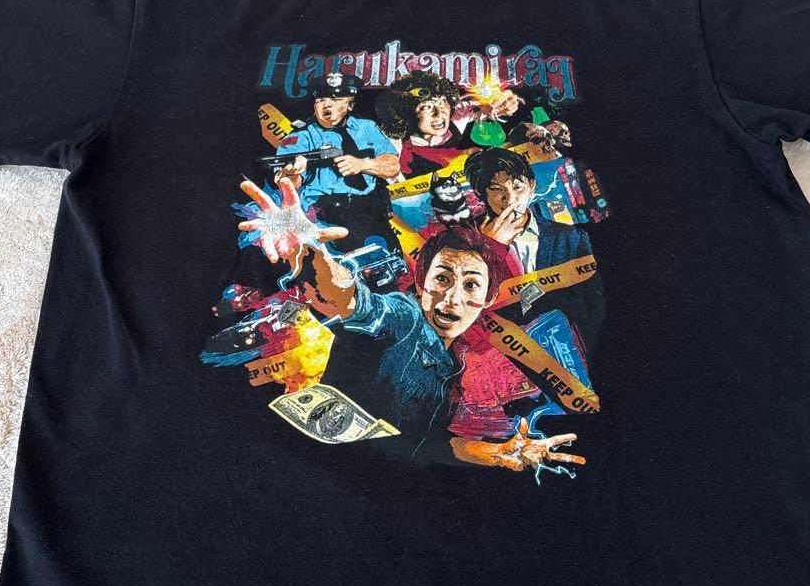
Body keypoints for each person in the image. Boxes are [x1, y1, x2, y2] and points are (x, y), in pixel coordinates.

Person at [238, 176, 582, 470]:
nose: (452, 299)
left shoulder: (451, 367)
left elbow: (427, 445)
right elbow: (352, 300)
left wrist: (495, 454)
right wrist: (311, 251)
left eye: (471, 286)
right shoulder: (404, 318)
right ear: (420, 283)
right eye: (442, 279)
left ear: (489, 299)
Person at [463, 147, 606, 357]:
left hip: (566, 349)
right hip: (496, 355)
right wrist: (491, 247)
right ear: (480, 193)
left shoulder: (571, 238)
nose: (510, 198)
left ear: (531, 185)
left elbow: (593, 306)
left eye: (517, 186)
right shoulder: (464, 238)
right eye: (496, 189)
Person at [272, 72, 400, 253]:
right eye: (320, 100)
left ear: (350, 105)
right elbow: (287, 183)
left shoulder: (367, 128)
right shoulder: (299, 138)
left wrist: (361, 165)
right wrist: (291, 174)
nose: (327, 104)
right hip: (324, 217)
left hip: (371, 212)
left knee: (392, 262)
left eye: (336, 99)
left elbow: (393, 166)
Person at [375, 70, 520, 177]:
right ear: (406, 114)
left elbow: (487, 106)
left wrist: (504, 102)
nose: (439, 114)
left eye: (443, 102)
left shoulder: (456, 117)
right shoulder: (393, 144)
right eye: (425, 107)